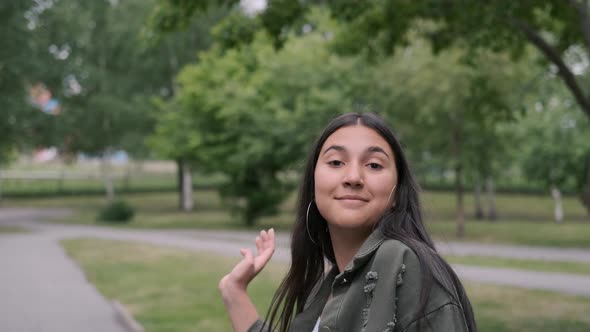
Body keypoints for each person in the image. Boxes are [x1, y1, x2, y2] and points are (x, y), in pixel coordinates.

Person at [219, 113, 477, 332]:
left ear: (397, 193)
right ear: (314, 185)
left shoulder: (403, 264)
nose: (353, 177)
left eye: (374, 165)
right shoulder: (327, 287)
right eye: (335, 162)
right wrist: (234, 291)